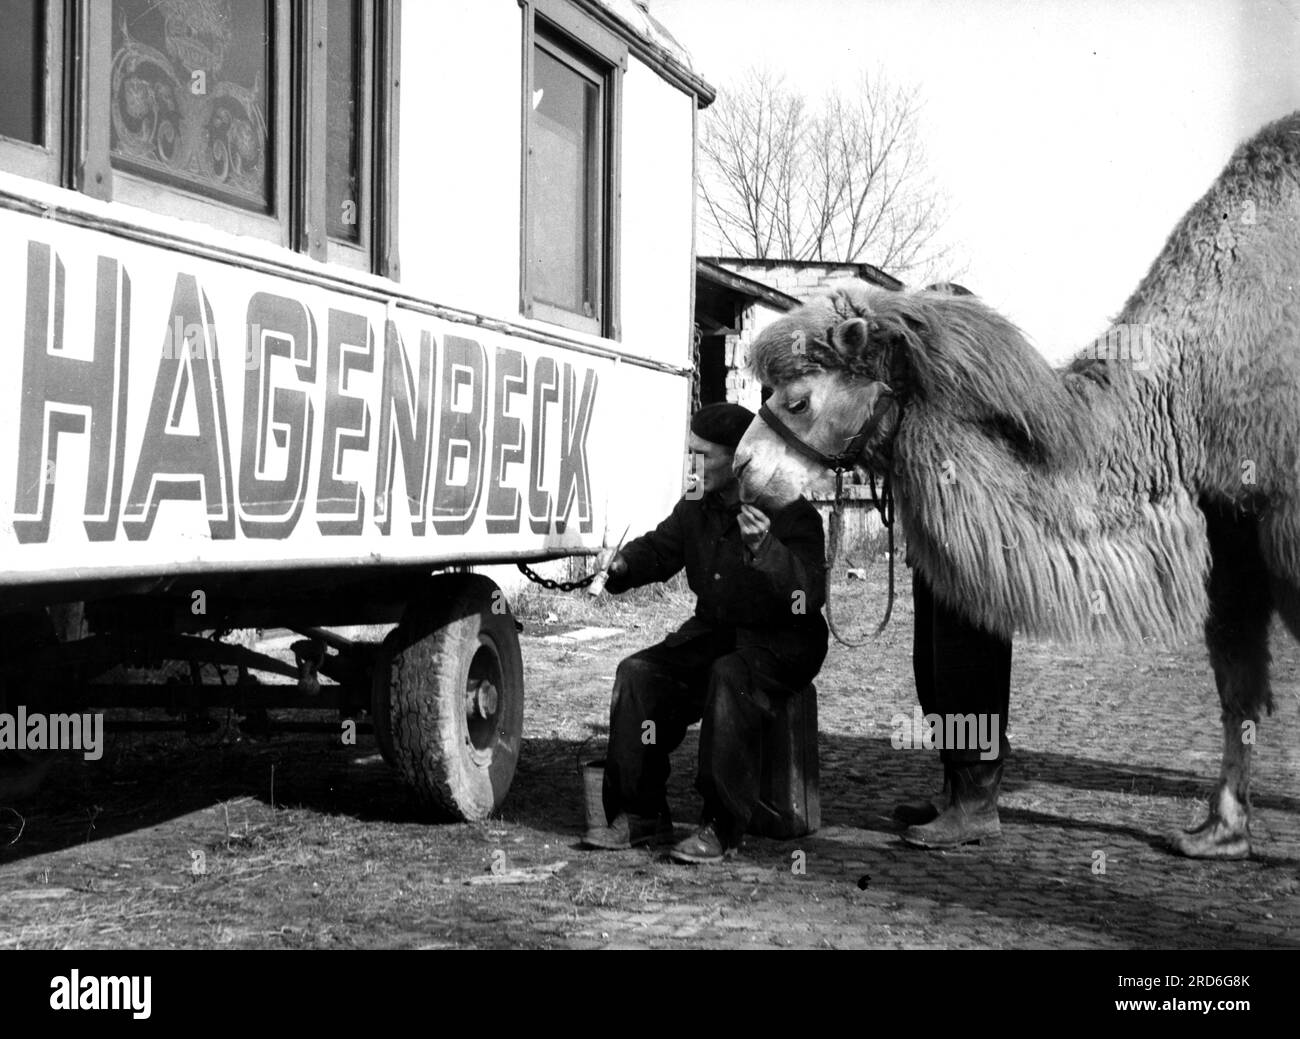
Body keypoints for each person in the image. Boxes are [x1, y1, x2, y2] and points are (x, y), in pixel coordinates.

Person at [582, 402, 829, 864]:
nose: (692, 465)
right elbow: (663, 546)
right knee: (637, 673)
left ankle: (721, 825)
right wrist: (623, 566)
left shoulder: (790, 511)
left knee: (728, 677)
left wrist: (767, 551)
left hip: (782, 642)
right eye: (690, 453)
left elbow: (808, 596)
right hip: (716, 631)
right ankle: (641, 813)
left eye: (704, 456)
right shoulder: (698, 503)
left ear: (740, 459)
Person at [895, 283, 1013, 849]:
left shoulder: (989, 391)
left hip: (978, 552)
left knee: (971, 674)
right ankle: (955, 791)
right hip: (935, 547)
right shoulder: (931, 390)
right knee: (934, 672)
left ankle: (976, 805)